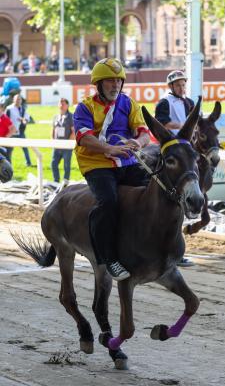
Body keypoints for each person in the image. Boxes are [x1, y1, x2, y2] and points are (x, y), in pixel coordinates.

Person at [73, 57, 150, 281]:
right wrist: (109, 149)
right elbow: (84, 138)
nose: (115, 85)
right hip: (97, 164)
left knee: (158, 191)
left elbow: (144, 132)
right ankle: (109, 258)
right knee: (108, 201)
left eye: (118, 81)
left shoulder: (128, 103)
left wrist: (139, 143)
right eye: (109, 81)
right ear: (98, 84)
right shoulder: (85, 106)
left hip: (127, 162)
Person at [155, 70, 195, 267]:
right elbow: (162, 124)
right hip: (169, 149)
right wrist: (183, 126)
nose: (181, 88)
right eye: (178, 85)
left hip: (186, 148)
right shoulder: (164, 103)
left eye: (183, 84)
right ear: (171, 87)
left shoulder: (189, 102)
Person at [51, 98, 75, 186]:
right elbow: (53, 130)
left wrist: (68, 143)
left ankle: (65, 182)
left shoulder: (71, 117)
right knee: (53, 164)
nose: (61, 106)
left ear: (67, 105)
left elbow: (74, 131)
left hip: (66, 146)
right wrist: (52, 141)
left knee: (66, 165)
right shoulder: (55, 117)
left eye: (63, 104)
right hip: (57, 145)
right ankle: (56, 181)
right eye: (60, 104)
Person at [5, 94, 32, 166]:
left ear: (21, 100)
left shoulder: (23, 108)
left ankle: (28, 163)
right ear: (13, 100)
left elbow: (27, 117)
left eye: (19, 99)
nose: (18, 101)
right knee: (9, 150)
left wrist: (25, 121)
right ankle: (8, 163)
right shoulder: (9, 109)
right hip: (12, 133)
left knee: (25, 147)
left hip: (21, 132)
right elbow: (5, 120)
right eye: (16, 99)